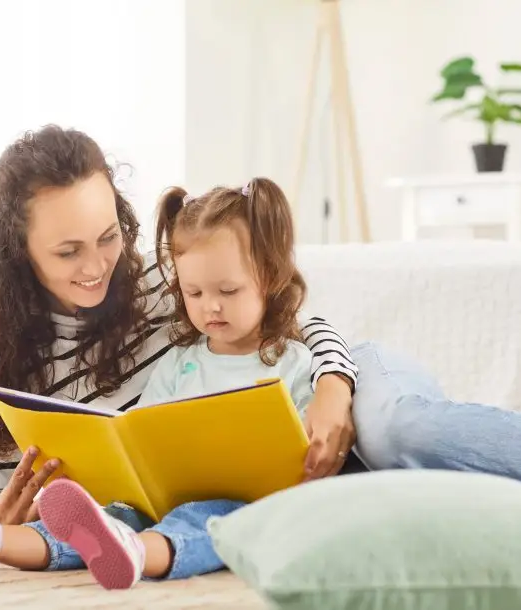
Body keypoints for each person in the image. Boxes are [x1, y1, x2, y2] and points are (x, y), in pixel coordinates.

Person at [0, 124, 521, 582]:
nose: (97, 265)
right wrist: (1, 519)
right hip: (208, 485)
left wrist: (335, 385)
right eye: (67, 251)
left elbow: (295, 324)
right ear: (17, 250)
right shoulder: (6, 350)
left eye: (108, 237)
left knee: (401, 431)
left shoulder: (166, 279)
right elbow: (0, 472)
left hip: (335, 374)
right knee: (131, 515)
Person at [34, 177, 321, 589]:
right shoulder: (179, 365)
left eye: (228, 290)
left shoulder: (293, 364)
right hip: (167, 504)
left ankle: (136, 552)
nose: (211, 306)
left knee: (206, 520)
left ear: (271, 277)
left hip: (251, 510)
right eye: (194, 292)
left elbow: (311, 454)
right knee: (113, 513)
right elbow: (143, 434)